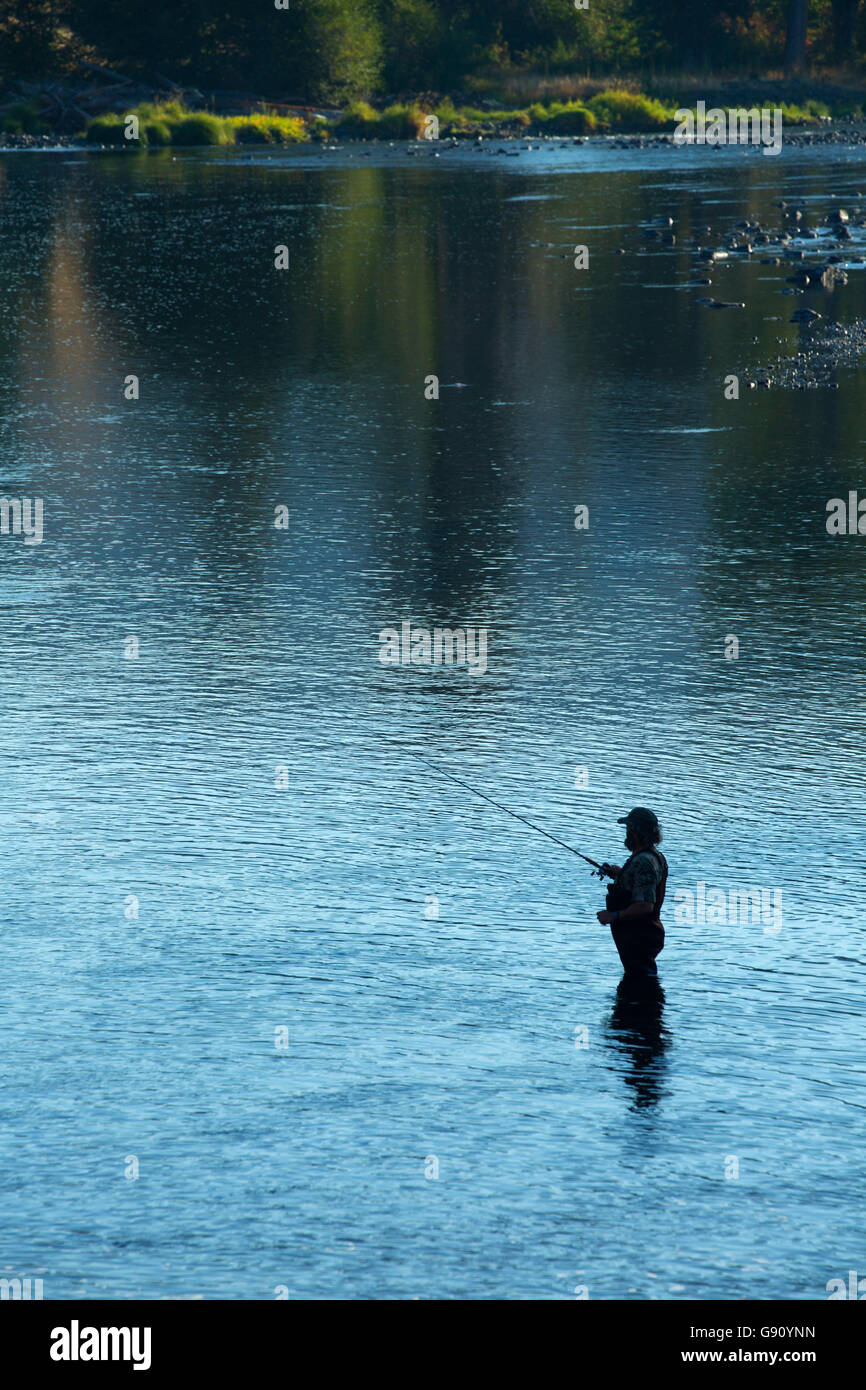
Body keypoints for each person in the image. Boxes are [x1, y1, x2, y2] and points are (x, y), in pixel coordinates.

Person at [596, 808, 668, 978]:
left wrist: (613, 916)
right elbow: (644, 883)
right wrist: (621, 874)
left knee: (640, 981)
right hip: (644, 937)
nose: (626, 833)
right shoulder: (654, 856)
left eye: (627, 829)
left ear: (635, 832)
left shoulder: (644, 862)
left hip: (639, 938)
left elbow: (645, 906)